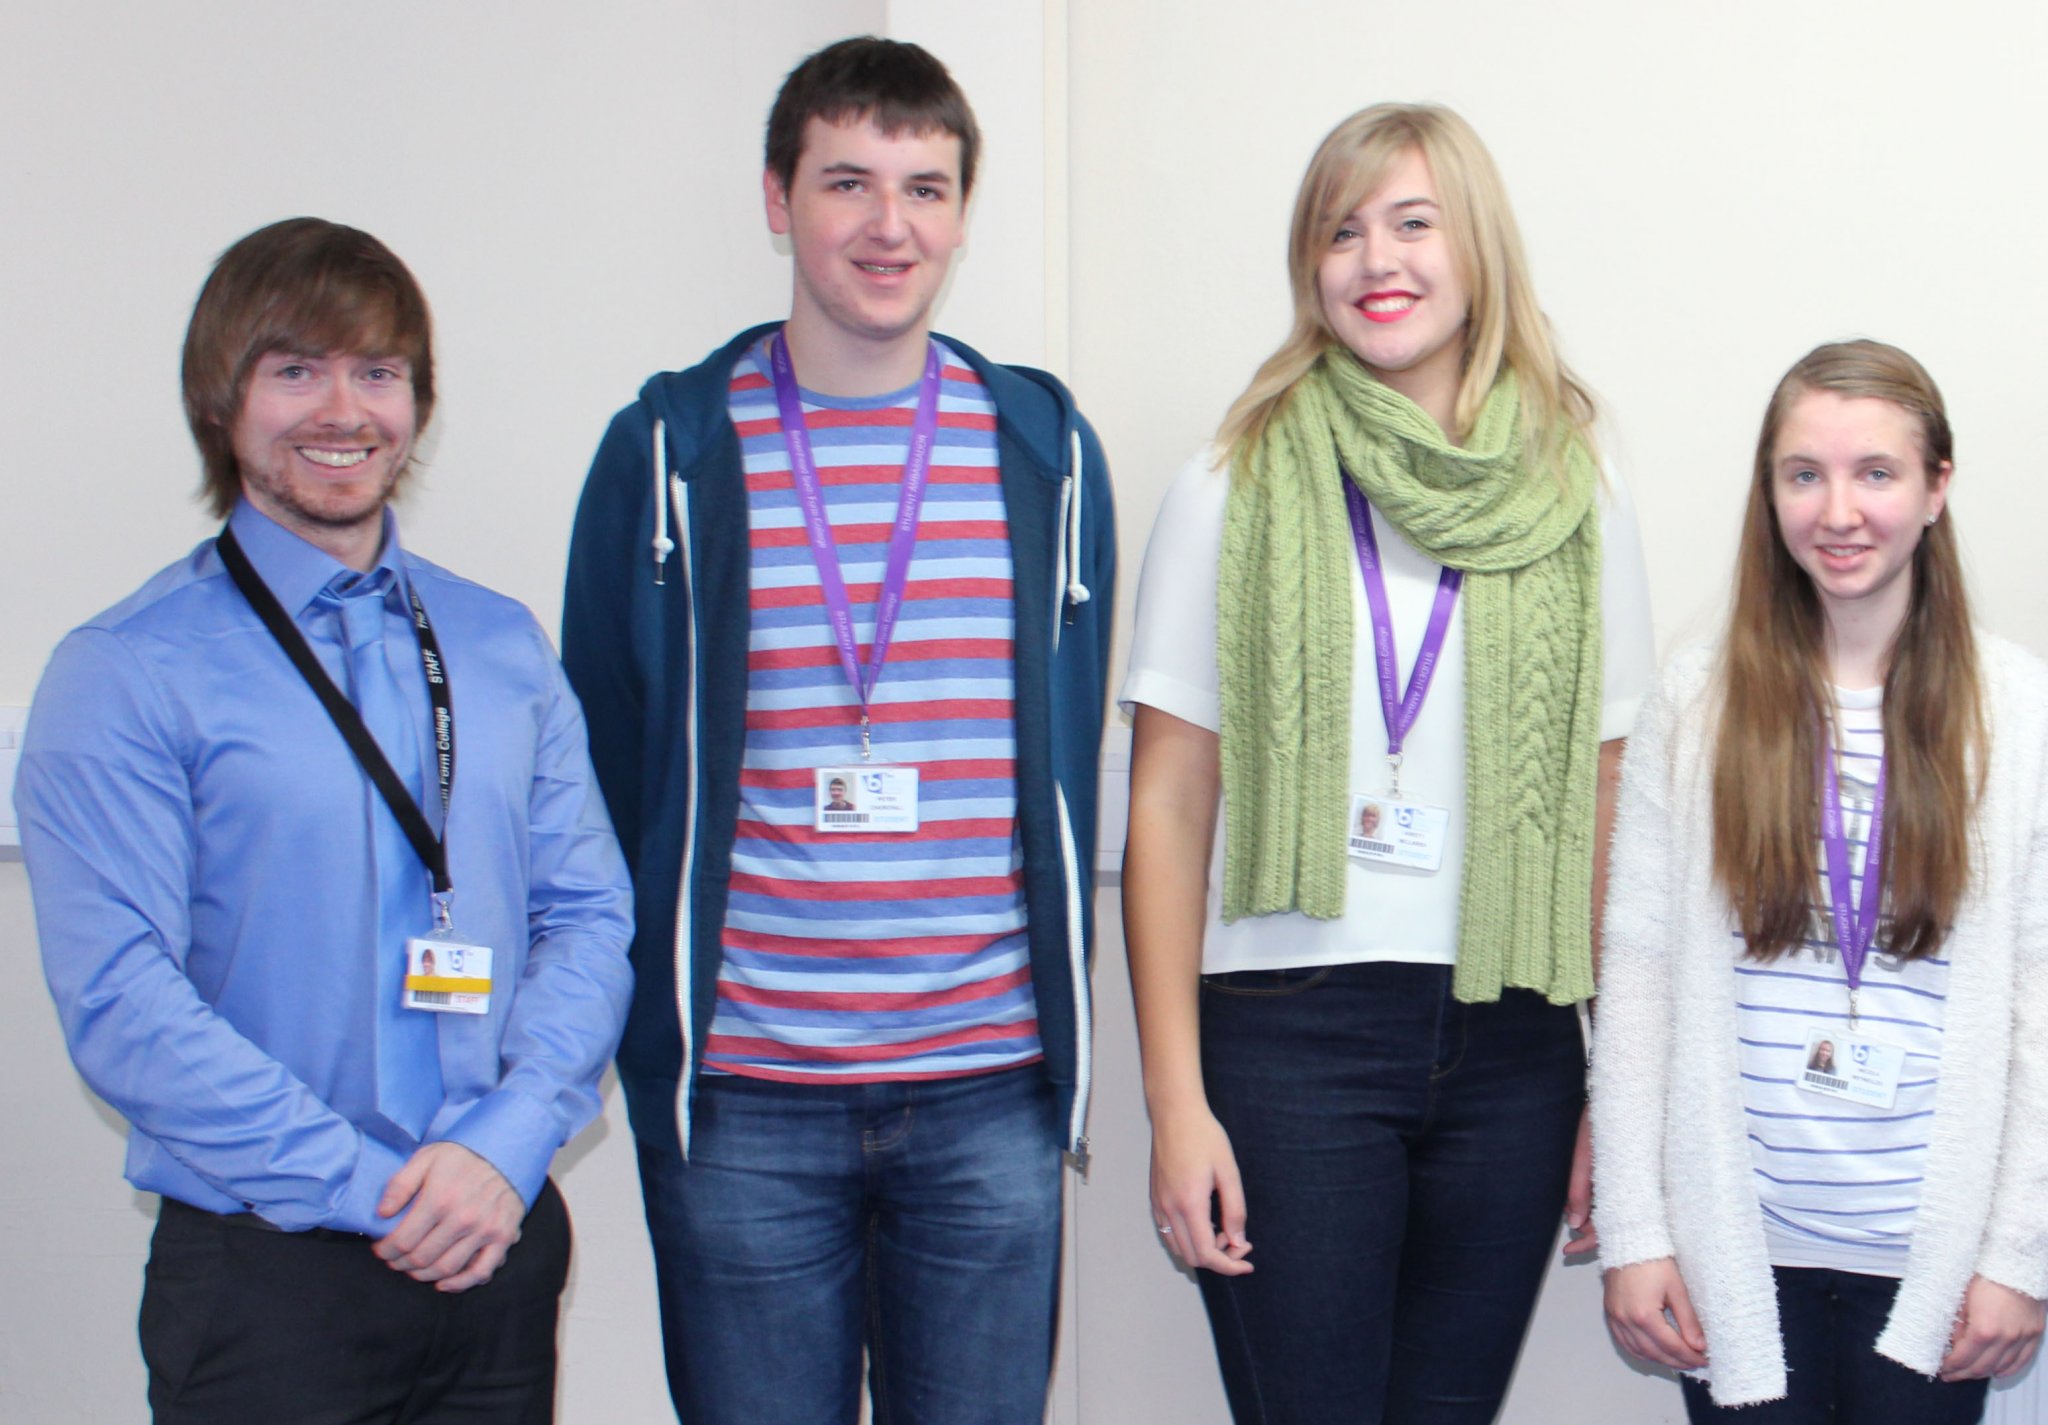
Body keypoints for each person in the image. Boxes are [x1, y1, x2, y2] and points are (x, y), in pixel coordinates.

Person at [560, 36, 1114, 1424]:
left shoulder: (1040, 447)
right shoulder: (672, 452)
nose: (889, 225)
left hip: (990, 1087)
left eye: (926, 188)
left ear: (963, 213)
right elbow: (607, 760)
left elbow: (1063, 744)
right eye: (848, 182)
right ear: (776, 197)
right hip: (746, 1099)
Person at [15, 217, 636, 1424]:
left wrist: (505, 1143)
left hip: (494, 1247)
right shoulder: (128, 671)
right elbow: (122, 1005)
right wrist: (376, 1188)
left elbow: (588, 912)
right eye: (294, 369)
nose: (342, 409)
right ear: (220, 399)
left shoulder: (499, 645)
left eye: (378, 372)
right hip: (270, 1271)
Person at [1120, 103, 1654, 1422]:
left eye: (1412, 222)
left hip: (1519, 1043)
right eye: (1340, 230)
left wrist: (1617, 1099)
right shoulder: (1229, 482)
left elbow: (1610, 806)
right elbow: (1171, 808)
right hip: (1290, 1033)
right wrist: (1174, 1106)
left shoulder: (1577, 492)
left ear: (1476, 251)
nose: (1375, 259)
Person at [1593, 340, 2048, 1421]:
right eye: (1802, 474)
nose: (1836, 510)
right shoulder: (1698, 700)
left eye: (1874, 473)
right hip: (1733, 1258)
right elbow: (1642, 968)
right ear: (1769, 492)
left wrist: (2016, 1251)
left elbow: (2037, 994)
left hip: (1931, 1278)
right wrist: (1635, 1231)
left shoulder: (2015, 711)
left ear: (1936, 488)